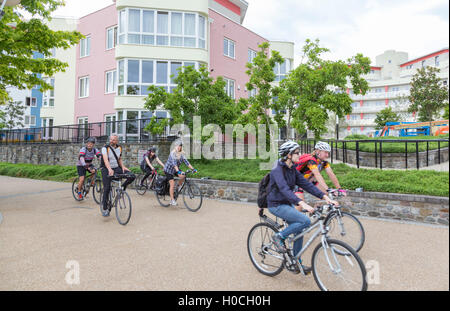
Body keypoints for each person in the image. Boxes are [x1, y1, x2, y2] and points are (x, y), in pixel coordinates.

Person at [267, 141, 339, 274]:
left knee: (301, 228)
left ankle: (296, 261)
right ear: (289, 155)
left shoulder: (292, 169)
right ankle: (279, 237)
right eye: (297, 153)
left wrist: (325, 197)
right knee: (304, 221)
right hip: (276, 204)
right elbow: (284, 189)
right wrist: (302, 203)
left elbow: (307, 185)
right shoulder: (277, 168)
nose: (299, 155)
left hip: (286, 203)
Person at [100, 134, 135, 217]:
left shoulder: (119, 148)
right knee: (107, 188)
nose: (112, 141)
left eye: (114, 140)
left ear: (117, 141)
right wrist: (109, 169)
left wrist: (123, 167)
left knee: (132, 176)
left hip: (116, 168)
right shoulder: (105, 148)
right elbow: (105, 160)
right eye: (111, 139)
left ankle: (122, 188)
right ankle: (105, 208)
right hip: (106, 168)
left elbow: (119, 158)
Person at [164, 140, 196, 206]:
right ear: (175, 147)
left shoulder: (181, 153)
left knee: (183, 176)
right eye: (178, 146)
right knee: (172, 183)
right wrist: (178, 171)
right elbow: (174, 164)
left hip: (176, 169)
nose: (179, 147)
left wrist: (193, 169)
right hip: (168, 170)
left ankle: (177, 188)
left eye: (180, 146)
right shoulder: (172, 153)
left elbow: (186, 162)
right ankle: (172, 200)